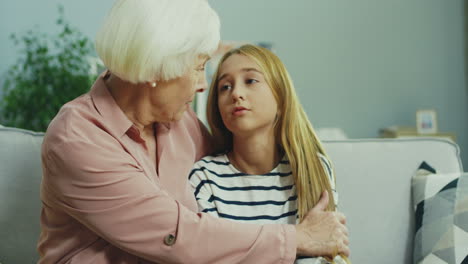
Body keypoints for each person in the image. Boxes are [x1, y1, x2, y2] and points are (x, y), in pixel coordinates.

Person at [37, 0, 349, 263]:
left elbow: (231, 170)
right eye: (199, 67)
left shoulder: (180, 122)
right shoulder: (76, 138)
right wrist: (298, 238)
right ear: (160, 67)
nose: (204, 85)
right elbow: (178, 235)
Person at [189, 44, 350, 263]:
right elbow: (214, 257)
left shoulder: (313, 168)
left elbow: (325, 250)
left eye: (250, 81)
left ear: (281, 99)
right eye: (225, 87)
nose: (236, 93)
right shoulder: (203, 177)